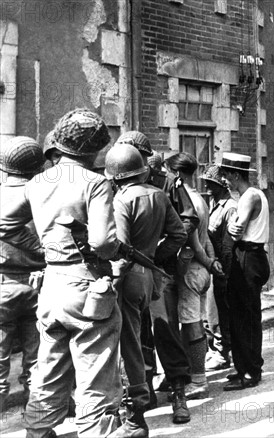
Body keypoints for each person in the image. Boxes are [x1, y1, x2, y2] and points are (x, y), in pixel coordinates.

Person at [0, 109, 123, 437]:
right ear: (95, 149)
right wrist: (114, 246)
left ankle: (37, 432)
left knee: (48, 375)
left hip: (51, 288)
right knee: (95, 379)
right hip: (87, 288)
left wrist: (44, 252)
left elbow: (5, 224)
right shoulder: (95, 183)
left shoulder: (39, 181)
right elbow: (103, 243)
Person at [114, 130, 197, 424]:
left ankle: (178, 391)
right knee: (136, 334)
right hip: (130, 271)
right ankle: (143, 390)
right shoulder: (118, 184)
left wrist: (157, 256)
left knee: (164, 328)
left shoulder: (168, 184)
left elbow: (188, 220)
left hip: (159, 270)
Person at [163, 153, 223, 400]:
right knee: (189, 320)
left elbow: (195, 244)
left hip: (190, 269)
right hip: (198, 269)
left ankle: (198, 379)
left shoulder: (187, 202)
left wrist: (207, 262)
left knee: (190, 323)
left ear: (176, 174)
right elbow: (207, 239)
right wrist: (211, 264)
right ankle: (185, 373)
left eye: (168, 172)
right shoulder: (200, 198)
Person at [0, 137, 46, 411]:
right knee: (38, 358)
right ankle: (38, 418)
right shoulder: (44, 194)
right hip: (40, 282)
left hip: (3, 282)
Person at [218, 152, 270, 391]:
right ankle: (247, 365)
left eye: (227, 176)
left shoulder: (249, 196)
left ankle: (249, 372)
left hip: (248, 256)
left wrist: (229, 224)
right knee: (246, 315)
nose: (225, 181)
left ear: (236, 175)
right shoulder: (256, 194)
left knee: (244, 317)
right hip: (253, 256)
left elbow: (236, 230)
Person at [200, 165, 238, 371]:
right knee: (210, 312)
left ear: (222, 185)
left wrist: (223, 271)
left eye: (211, 184)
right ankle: (215, 350)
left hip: (222, 267)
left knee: (219, 312)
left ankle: (223, 353)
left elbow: (228, 243)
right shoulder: (213, 204)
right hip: (211, 265)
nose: (206, 187)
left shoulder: (230, 207)